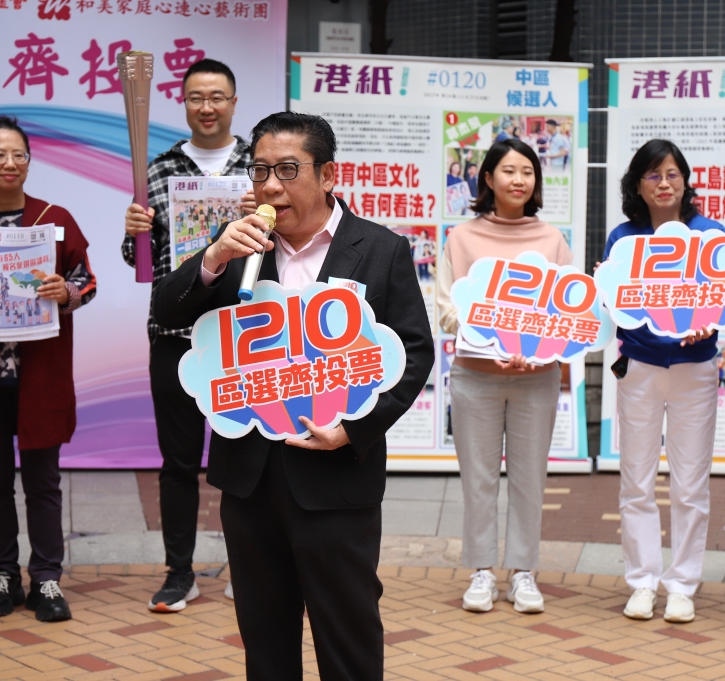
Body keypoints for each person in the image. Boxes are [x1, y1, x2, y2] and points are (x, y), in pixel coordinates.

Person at [152, 111, 434, 680]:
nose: (270, 186)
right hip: (250, 476)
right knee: (265, 638)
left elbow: (413, 353)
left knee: (348, 634)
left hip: (336, 476)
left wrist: (353, 430)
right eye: (259, 171)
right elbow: (167, 308)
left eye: (287, 170)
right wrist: (213, 258)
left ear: (328, 175)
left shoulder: (379, 249)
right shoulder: (239, 246)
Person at [0, 116, 97, 623]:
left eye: (19, 155)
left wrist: (65, 291)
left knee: (43, 482)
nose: (10, 163)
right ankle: (3, 575)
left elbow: (86, 281)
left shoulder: (56, 219)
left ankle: (46, 577)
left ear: (29, 161)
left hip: (41, 375)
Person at [122, 58, 255, 611]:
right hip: (174, 332)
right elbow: (140, 261)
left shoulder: (258, 167)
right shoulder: (159, 170)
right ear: (183, 103)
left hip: (244, 335)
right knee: (178, 463)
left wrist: (264, 214)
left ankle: (249, 566)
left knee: (245, 458)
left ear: (233, 102)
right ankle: (180, 573)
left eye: (217, 97)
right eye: (197, 97)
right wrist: (134, 232)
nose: (207, 107)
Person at [435, 139, 570, 615]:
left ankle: (523, 572)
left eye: (527, 171)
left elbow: (568, 311)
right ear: (488, 179)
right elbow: (447, 309)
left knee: (530, 478)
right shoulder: (461, 238)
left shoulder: (552, 239)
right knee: (479, 478)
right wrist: (495, 342)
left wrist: (536, 347)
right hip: (475, 375)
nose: (519, 180)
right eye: (509, 171)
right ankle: (481, 571)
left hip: (537, 375)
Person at [604, 139, 723, 624]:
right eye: (653, 175)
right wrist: (606, 287)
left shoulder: (710, 234)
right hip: (640, 367)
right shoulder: (623, 239)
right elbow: (615, 307)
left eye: (673, 174)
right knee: (636, 480)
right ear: (638, 185)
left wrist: (710, 322)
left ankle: (682, 585)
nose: (665, 183)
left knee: (690, 483)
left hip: (696, 368)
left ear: (686, 181)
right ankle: (642, 581)